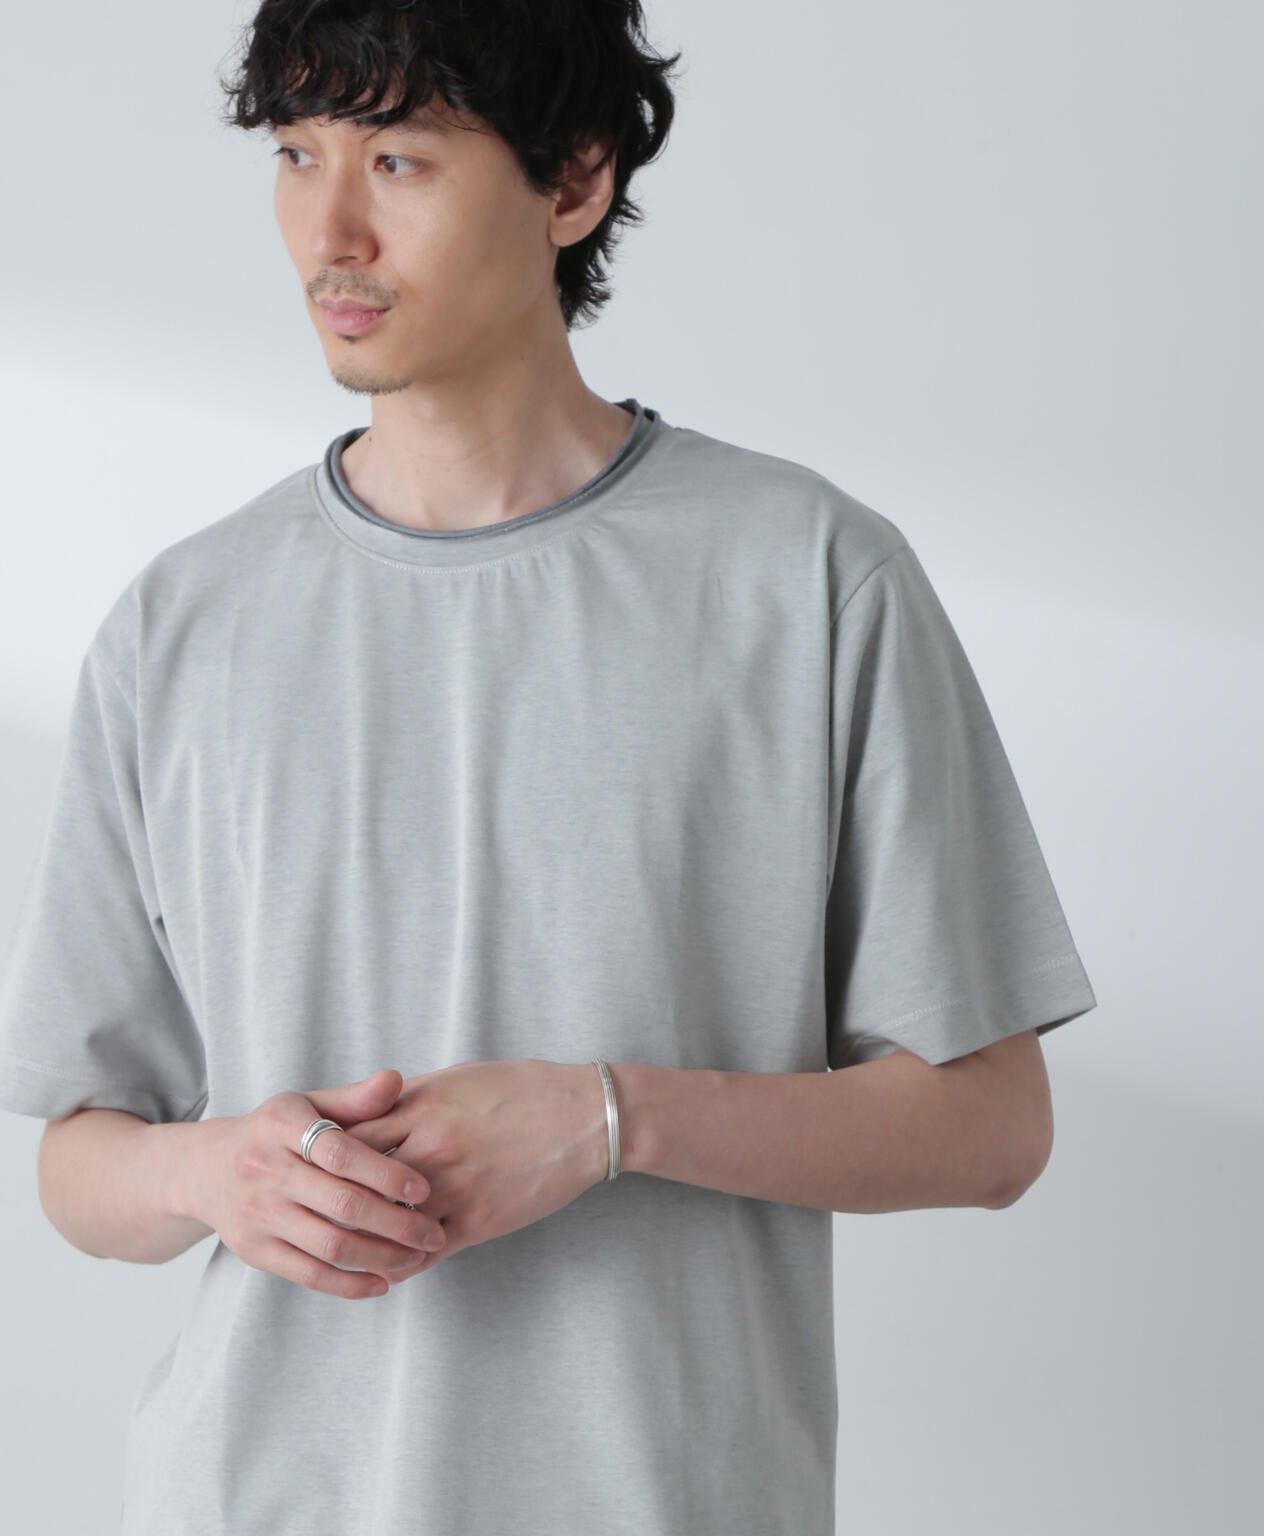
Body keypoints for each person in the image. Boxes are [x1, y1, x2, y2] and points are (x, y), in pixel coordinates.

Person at [0, 3, 1099, 1533]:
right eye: (298, 155)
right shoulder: (180, 624)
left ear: (574, 180)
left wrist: (610, 1118)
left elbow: (992, 1126)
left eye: (398, 159)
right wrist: (211, 1176)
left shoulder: (807, 579)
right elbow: (80, 1158)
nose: (329, 232)